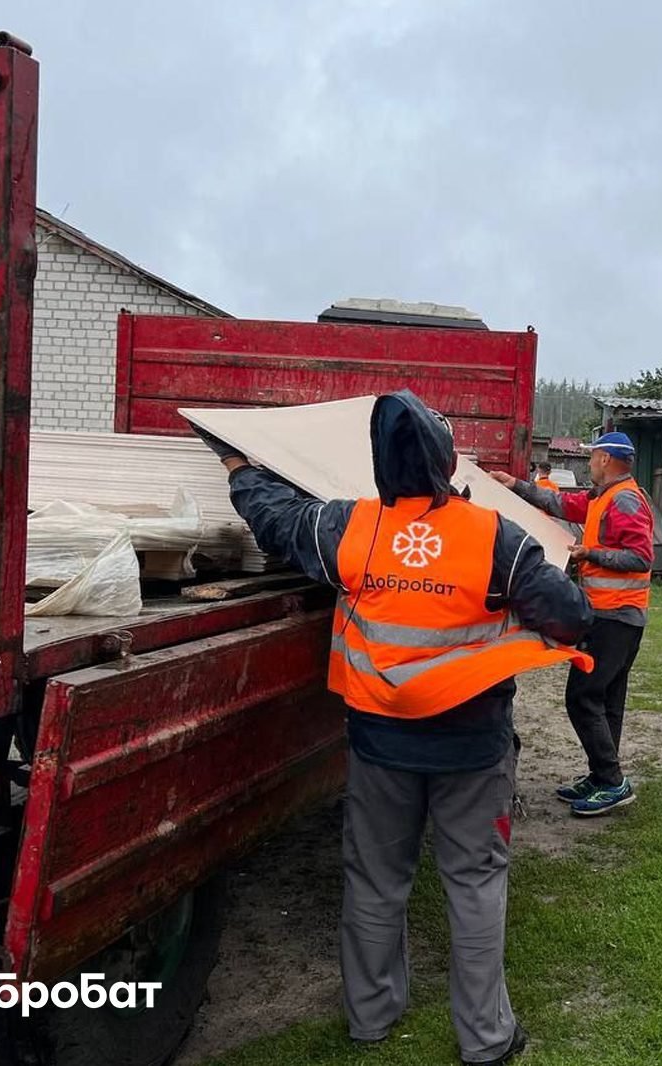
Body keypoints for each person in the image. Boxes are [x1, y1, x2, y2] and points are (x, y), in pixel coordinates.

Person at [198, 390, 593, 1066]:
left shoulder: (352, 528)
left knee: (377, 880)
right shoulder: (496, 536)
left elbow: (276, 519)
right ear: (447, 462)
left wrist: (240, 466)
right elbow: (570, 616)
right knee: (474, 883)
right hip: (473, 751)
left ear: (379, 465)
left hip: (381, 745)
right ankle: (486, 1040)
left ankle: (372, 1017)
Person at [494, 431, 654, 816]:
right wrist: (515, 485)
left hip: (615, 616)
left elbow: (642, 556)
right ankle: (602, 776)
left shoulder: (626, 500)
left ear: (604, 459)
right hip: (615, 615)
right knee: (607, 700)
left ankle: (612, 781)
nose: (592, 462)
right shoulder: (605, 497)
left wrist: (590, 553)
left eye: (594, 456)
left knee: (582, 697)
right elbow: (560, 502)